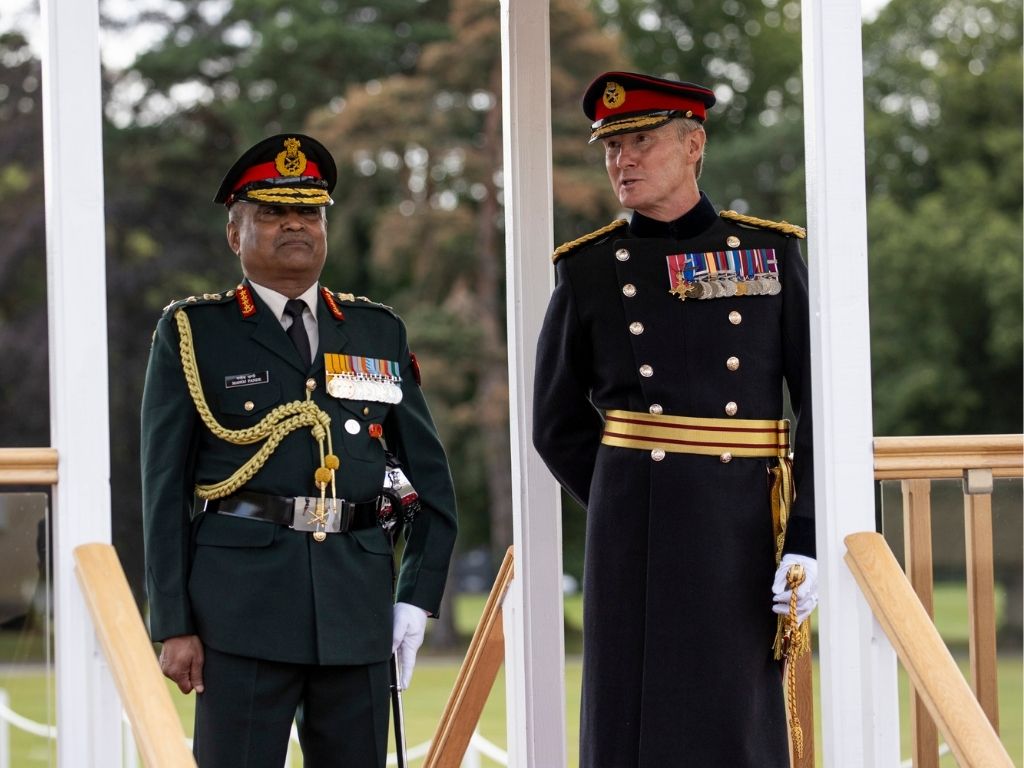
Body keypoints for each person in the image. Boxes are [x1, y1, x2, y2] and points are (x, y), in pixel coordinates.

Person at [141, 133, 458, 767]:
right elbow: (164, 490)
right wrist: (173, 621)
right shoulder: (194, 333)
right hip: (240, 611)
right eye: (271, 213)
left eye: (308, 212)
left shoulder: (376, 331)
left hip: (355, 606)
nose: (295, 225)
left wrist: (415, 597)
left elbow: (430, 486)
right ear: (235, 235)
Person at [533, 72, 819, 766]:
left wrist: (803, 535)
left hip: (743, 525)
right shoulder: (591, 269)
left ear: (695, 146)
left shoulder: (769, 254)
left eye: (639, 143)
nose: (621, 162)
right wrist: (625, 493)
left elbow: (818, 401)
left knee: (733, 714)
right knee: (632, 714)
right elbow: (556, 421)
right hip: (636, 530)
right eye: (611, 148)